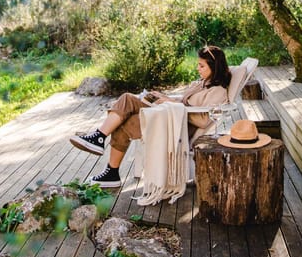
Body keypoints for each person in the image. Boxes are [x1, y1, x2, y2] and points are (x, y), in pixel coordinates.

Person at [69, 45, 231, 188]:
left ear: (214, 67)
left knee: (125, 112)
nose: (198, 68)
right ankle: (105, 156)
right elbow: (184, 102)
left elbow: (203, 121)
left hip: (177, 127)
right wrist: (164, 98)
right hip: (169, 116)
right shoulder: (202, 83)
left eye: (201, 66)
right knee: (127, 101)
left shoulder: (218, 91)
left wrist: (170, 103)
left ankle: (105, 154)